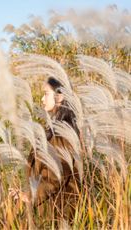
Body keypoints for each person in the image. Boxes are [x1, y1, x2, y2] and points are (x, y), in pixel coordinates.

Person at [27, 76, 80, 219]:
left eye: (46, 94)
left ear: (60, 96)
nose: (42, 99)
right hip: (46, 209)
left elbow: (56, 176)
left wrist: (29, 195)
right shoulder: (53, 129)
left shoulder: (65, 133)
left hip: (57, 213)